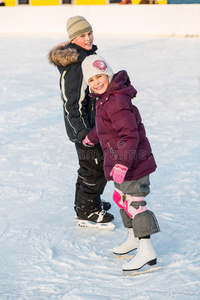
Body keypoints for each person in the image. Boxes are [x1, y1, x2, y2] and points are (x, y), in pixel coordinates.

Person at [81, 54, 160, 272]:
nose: (97, 82)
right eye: (91, 80)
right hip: (121, 163)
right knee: (121, 198)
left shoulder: (116, 100)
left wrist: (123, 163)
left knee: (135, 203)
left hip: (133, 163)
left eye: (100, 76)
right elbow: (104, 126)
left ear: (108, 74)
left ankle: (146, 249)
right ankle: (134, 236)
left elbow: (129, 135)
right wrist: (92, 136)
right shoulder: (104, 99)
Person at [48, 16, 114, 228]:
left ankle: (85, 203)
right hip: (86, 130)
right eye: (82, 35)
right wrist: (83, 132)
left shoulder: (86, 57)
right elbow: (72, 103)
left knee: (89, 168)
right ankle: (88, 211)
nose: (88, 38)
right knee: (95, 169)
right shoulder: (76, 64)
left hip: (93, 127)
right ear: (73, 38)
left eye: (89, 33)